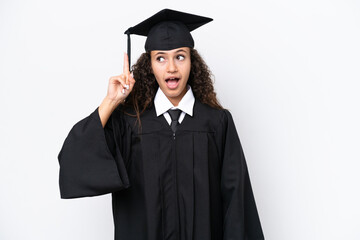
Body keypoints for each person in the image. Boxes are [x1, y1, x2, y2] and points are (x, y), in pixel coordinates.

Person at [58, 9, 265, 240]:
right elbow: (75, 159)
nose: (171, 68)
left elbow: (237, 202)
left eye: (180, 56)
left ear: (192, 62)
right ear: (149, 66)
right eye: (160, 58)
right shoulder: (129, 123)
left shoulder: (217, 122)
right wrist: (111, 101)